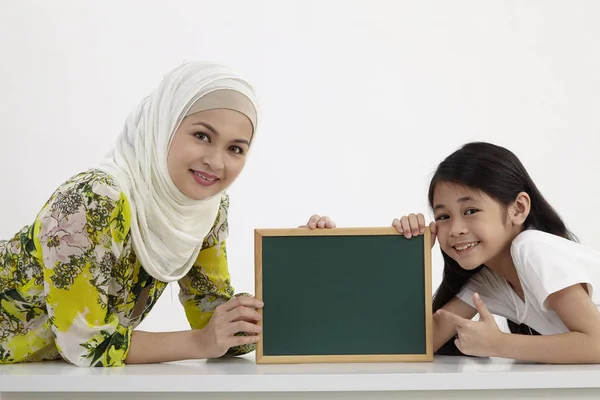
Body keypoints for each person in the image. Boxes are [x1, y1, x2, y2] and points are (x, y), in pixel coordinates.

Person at [0, 61, 335, 367]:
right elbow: (86, 345)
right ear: (163, 125)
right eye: (202, 136)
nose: (216, 162)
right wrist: (200, 343)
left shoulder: (207, 209)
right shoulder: (94, 198)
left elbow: (213, 319)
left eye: (235, 148)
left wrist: (298, 268)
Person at [392, 141, 600, 364]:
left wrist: (498, 344)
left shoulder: (532, 247)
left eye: (471, 211)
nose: (455, 230)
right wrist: (409, 254)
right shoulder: (490, 282)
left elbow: (596, 344)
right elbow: (420, 343)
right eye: (443, 217)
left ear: (518, 209)